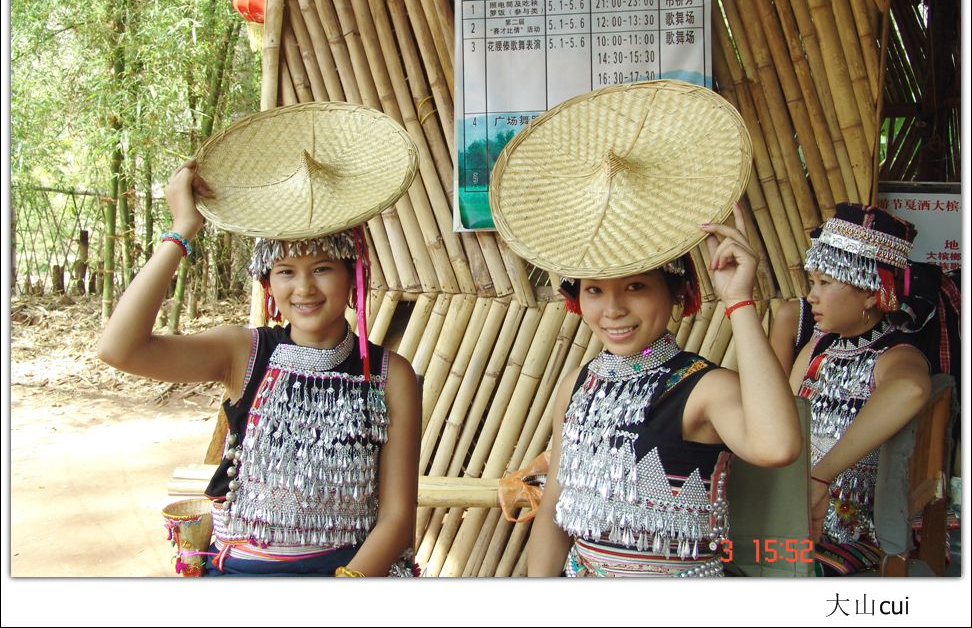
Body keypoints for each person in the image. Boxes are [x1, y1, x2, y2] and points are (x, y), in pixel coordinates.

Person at [488, 79, 803, 577]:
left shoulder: (704, 389)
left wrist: (739, 300)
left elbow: (776, 447)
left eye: (635, 287)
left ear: (676, 292)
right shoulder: (577, 385)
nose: (612, 309)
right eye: (594, 289)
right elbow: (555, 507)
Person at [98, 103, 420, 576]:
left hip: (347, 572)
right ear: (269, 284)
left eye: (323, 269)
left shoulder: (391, 375)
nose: (304, 289)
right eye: (286, 272)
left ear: (354, 276)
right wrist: (182, 230)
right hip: (241, 573)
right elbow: (119, 349)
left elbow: (396, 518)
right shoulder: (242, 353)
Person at [789, 202, 933, 576]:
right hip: (796, 516)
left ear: (871, 293)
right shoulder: (819, 346)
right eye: (812, 283)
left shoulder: (895, 354)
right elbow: (786, 418)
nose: (811, 297)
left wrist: (821, 475)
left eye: (825, 283)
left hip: (852, 534)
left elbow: (910, 391)